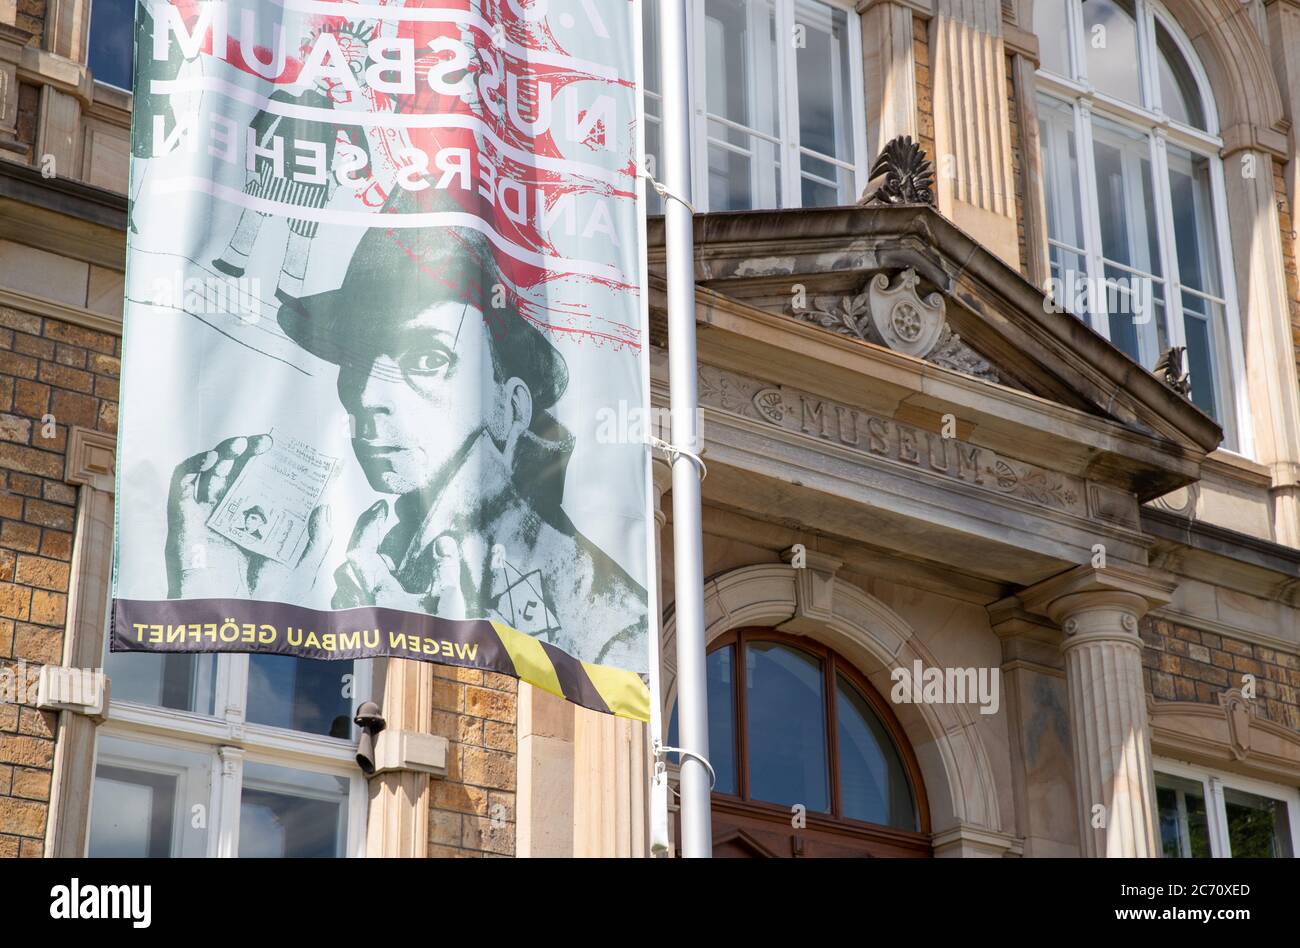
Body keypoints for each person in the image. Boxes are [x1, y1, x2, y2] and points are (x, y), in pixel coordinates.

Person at [165, 225, 646, 668]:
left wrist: (417, 649)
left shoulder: (608, 623)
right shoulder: (385, 545)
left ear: (512, 407)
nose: (368, 394)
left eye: (428, 357)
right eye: (357, 360)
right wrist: (219, 593)